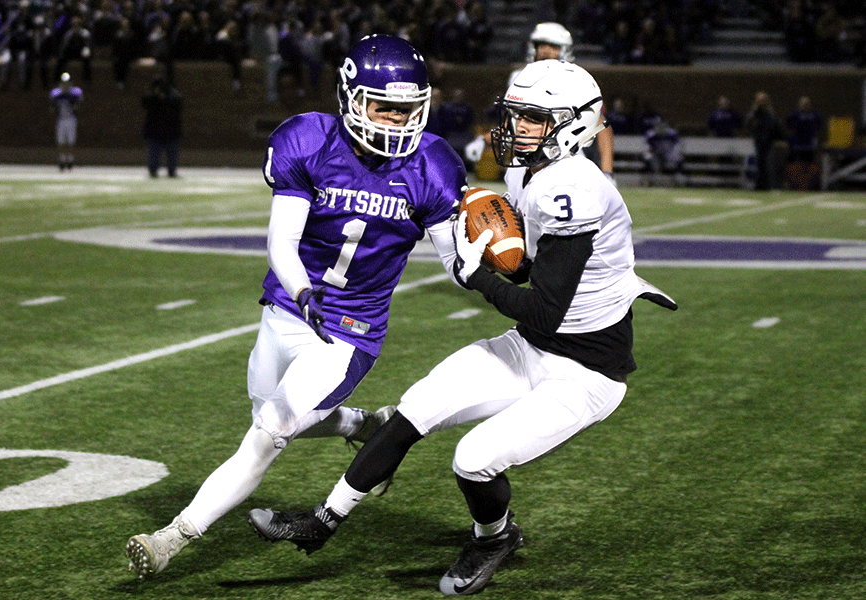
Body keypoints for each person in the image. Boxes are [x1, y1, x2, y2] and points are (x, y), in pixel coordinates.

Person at [248, 59, 677, 596]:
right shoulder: (528, 171)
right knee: (414, 408)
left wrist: (478, 276)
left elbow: (545, 308)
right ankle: (323, 519)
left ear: (574, 125)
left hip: (587, 371)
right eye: (516, 115)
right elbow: (530, 269)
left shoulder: (577, 190)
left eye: (534, 119)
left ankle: (494, 536)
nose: (517, 128)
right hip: (532, 346)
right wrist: (501, 255)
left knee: (473, 459)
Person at [125, 34, 470, 580]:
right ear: (351, 96)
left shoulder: (432, 165)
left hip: (348, 331)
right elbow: (282, 241)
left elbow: (458, 266)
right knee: (266, 410)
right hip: (288, 307)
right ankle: (362, 423)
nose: (397, 121)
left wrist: (484, 254)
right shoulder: (309, 140)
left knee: (269, 432)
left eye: (408, 108)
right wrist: (302, 292)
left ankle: (175, 536)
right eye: (384, 106)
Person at [464, 22, 615, 184]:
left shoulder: (576, 79)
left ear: (564, 50)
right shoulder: (520, 77)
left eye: (553, 46)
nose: (545, 50)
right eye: (541, 45)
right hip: (528, 161)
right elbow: (515, 126)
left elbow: (600, 125)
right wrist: (485, 140)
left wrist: (607, 171)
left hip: (565, 160)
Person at [141, 75, 183, 178]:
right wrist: (156, 96)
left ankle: (171, 171)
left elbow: (177, 104)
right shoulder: (151, 96)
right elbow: (145, 102)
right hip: (155, 131)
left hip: (170, 130)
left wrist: (165, 98)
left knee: (172, 155)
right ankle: (153, 170)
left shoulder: (173, 95)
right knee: (153, 155)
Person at [745, 91, 787, 190]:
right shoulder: (754, 114)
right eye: (759, 100)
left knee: (767, 164)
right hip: (758, 142)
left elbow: (776, 127)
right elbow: (748, 125)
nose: (761, 102)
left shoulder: (770, 114)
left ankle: (768, 185)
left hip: (769, 142)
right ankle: (760, 185)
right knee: (760, 164)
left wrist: (779, 139)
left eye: (763, 100)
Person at [49, 72, 82, 171]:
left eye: (67, 83)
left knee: (71, 141)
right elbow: (52, 108)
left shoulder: (75, 93)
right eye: (64, 83)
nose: (66, 85)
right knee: (61, 141)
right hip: (61, 120)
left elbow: (78, 106)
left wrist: (72, 103)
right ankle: (62, 160)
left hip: (71, 119)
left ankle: (70, 160)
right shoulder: (56, 94)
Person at [642, 117, 684, 186]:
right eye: (658, 125)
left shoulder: (672, 134)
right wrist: (651, 154)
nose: (660, 127)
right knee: (648, 157)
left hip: (669, 155)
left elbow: (677, 148)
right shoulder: (651, 135)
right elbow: (647, 148)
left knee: (678, 158)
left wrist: (670, 156)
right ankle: (648, 179)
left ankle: (678, 178)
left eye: (662, 125)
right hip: (656, 155)